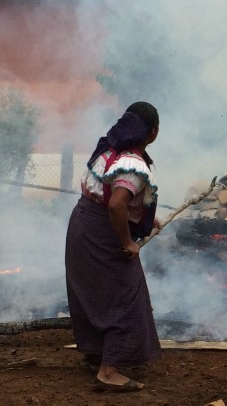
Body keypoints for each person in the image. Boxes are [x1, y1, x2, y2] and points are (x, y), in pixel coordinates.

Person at [65, 101, 162, 392]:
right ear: (153, 132)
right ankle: (108, 372)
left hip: (83, 224)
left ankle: (96, 354)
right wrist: (126, 242)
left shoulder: (110, 148)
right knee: (125, 296)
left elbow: (113, 198)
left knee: (95, 292)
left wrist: (146, 219)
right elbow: (117, 204)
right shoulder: (132, 163)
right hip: (103, 232)